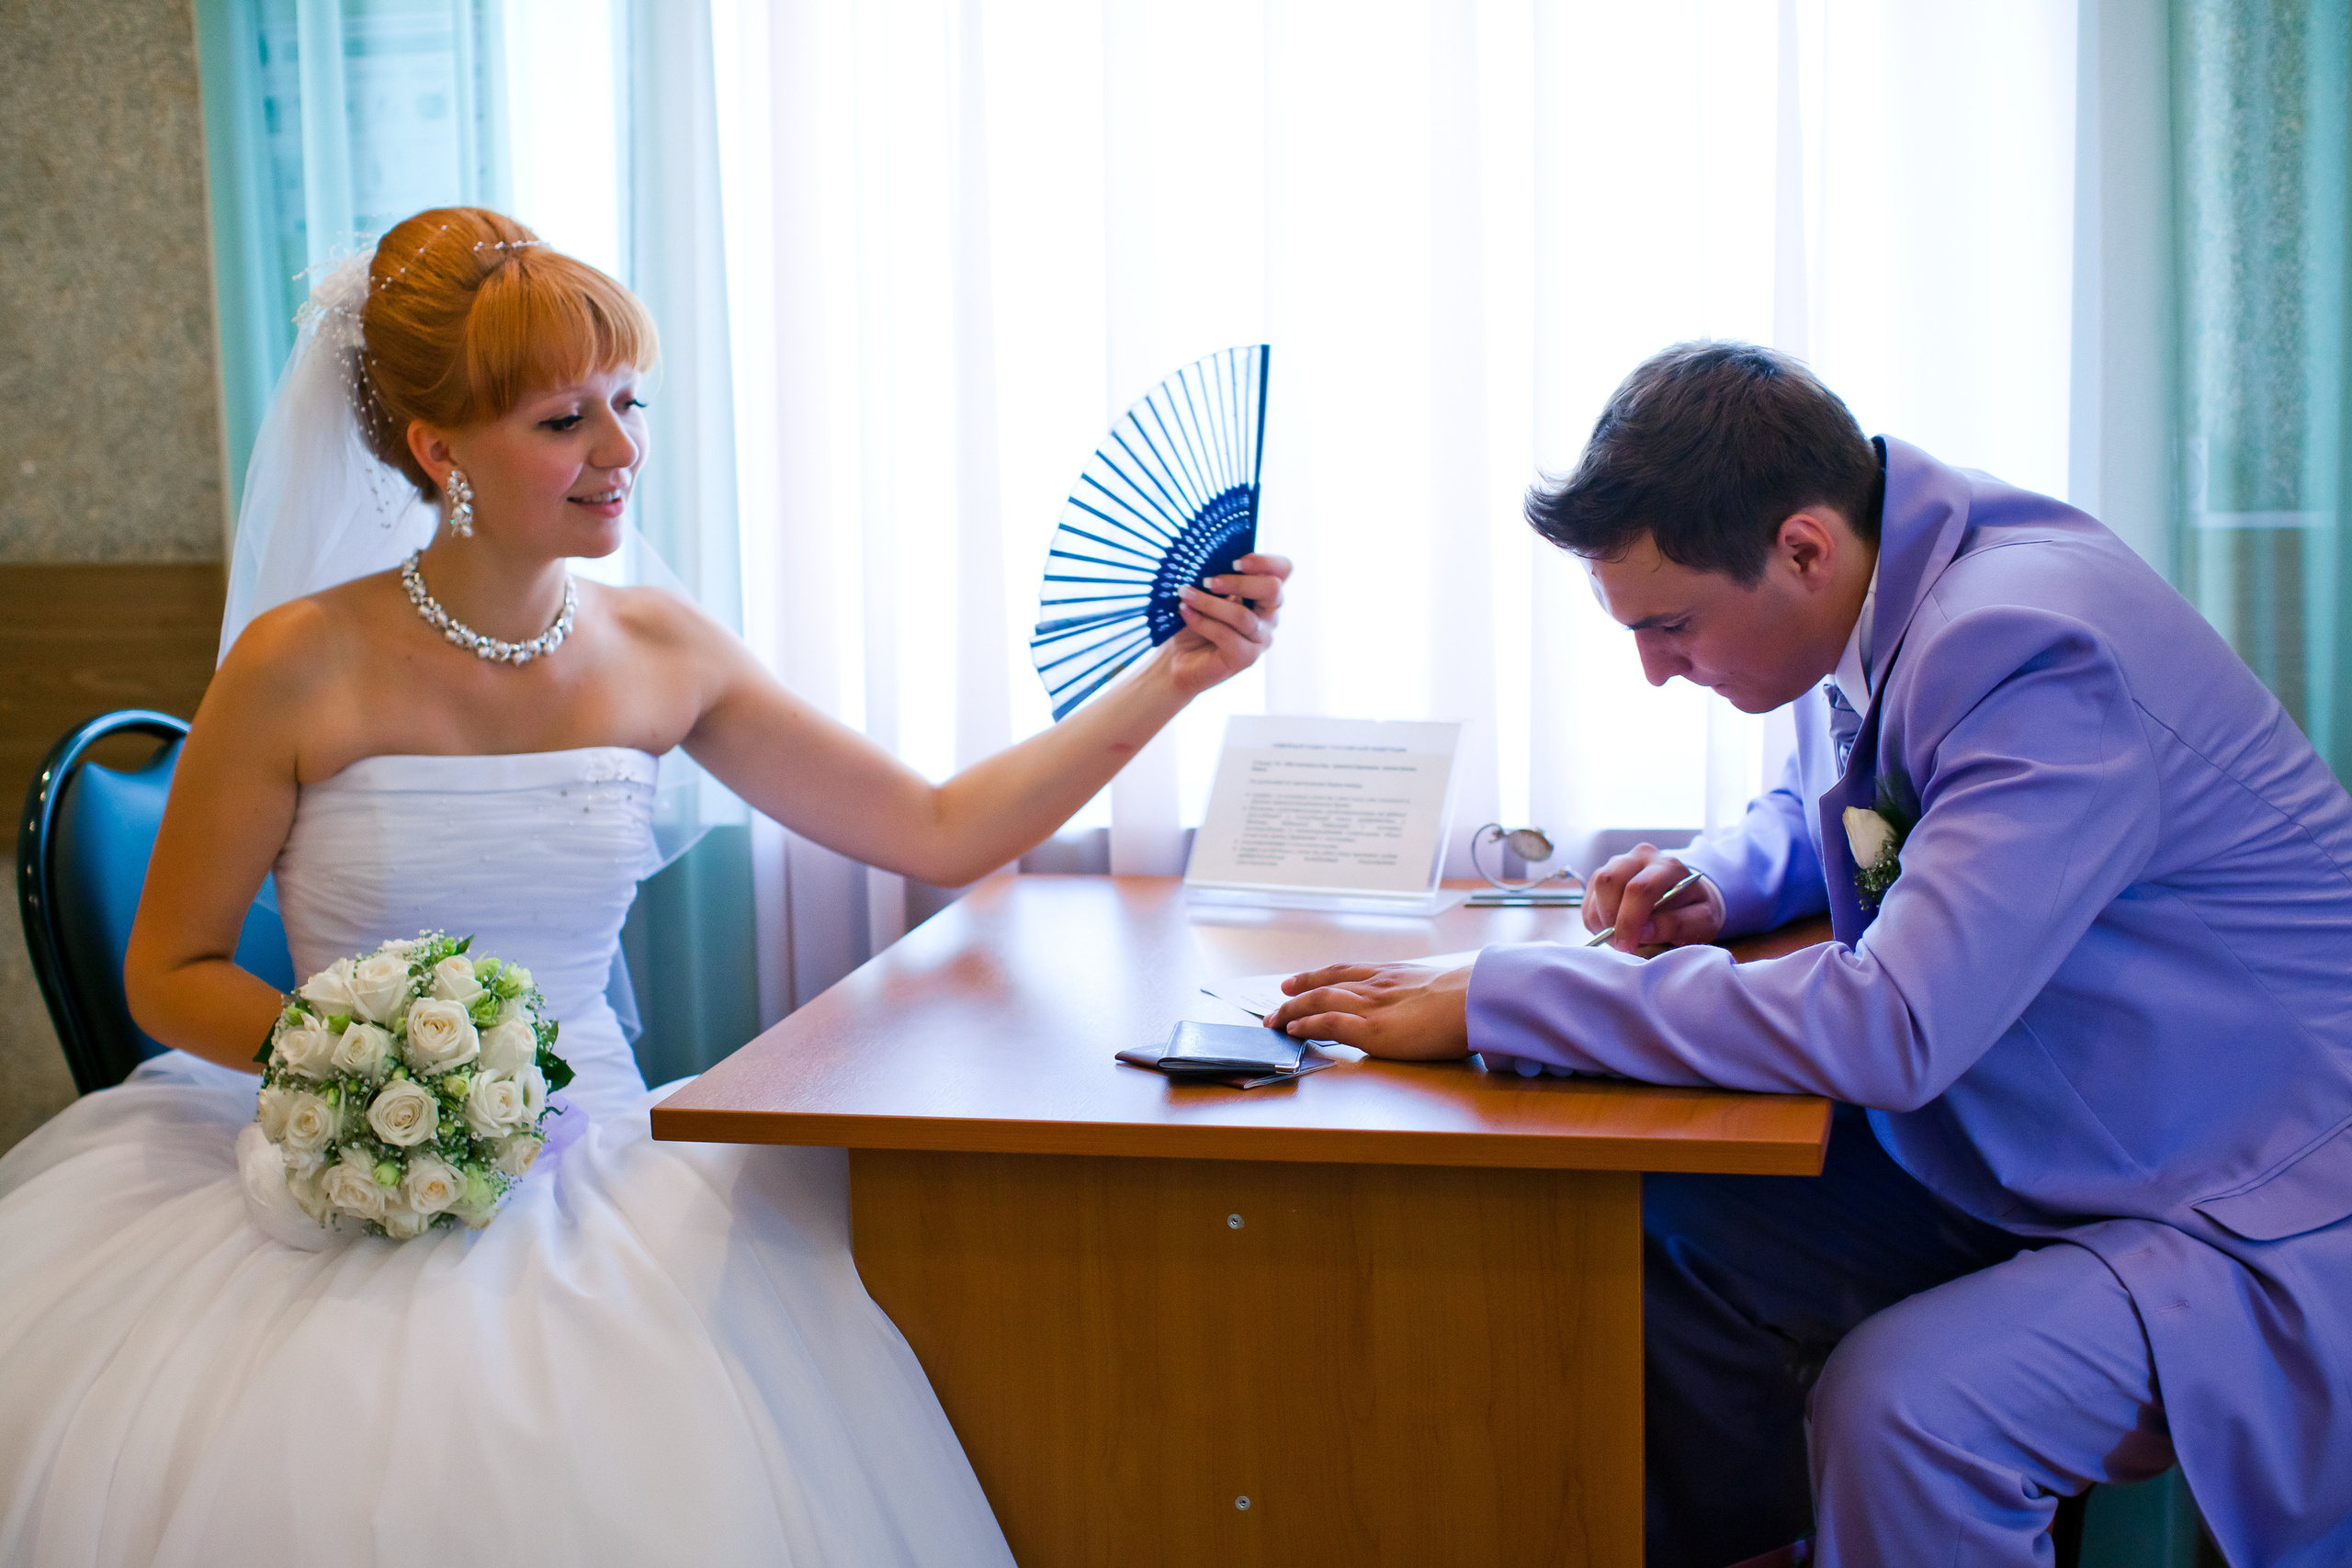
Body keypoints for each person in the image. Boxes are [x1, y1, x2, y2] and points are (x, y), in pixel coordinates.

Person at [0, 206, 1290, 1566]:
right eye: (565, 420)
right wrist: (377, 1077)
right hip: (344, 1178)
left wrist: (1174, 678)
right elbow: (171, 974)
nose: (620, 452)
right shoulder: (296, 663)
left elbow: (939, 828)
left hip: (610, 1154)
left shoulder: (662, 650)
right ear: (440, 451)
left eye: (630, 403)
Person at [1263, 342, 2352, 1567]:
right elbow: (1854, 792)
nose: (1654, 670)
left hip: (2253, 1195)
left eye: (1672, 626)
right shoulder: (1911, 568)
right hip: (2062, 1126)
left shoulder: (2028, 648)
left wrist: (1501, 999)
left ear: (1802, 551)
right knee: (1656, 1233)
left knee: (1908, 1411)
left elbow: (1894, 1024)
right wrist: (1715, 880)